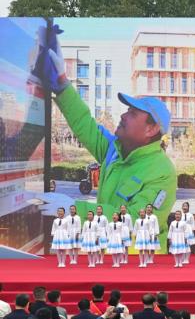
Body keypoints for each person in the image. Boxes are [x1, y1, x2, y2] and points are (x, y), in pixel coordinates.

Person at [36, 36, 176, 252]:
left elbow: (135, 221)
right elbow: (84, 123)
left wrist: (74, 209)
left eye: (133, 113)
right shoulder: (114, 149)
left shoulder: (163, 173)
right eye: (127, 110)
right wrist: (63, 83)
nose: (123, 115)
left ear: (151, 130)